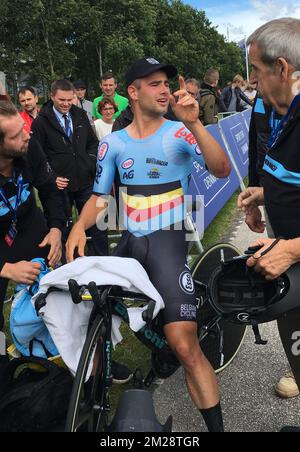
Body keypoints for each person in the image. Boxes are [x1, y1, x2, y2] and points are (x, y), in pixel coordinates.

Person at [66, 57, 231, 432]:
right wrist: (78, 227)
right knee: (94, 313)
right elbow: (100, 200)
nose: (165, 90)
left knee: (184, 346)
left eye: (166, 83)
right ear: (133, 93)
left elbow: (221, 168)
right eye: (154, 84)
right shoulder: (113, 143)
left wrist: (194, 122)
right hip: (130, 244)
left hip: (169, 244)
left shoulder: (179, 133)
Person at [237, 18, 300, 405]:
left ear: (282, 69)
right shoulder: (284, 107)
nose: (252, 84)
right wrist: (267, 191)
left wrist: (293, 250)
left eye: (256, 72)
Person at [0, 100, 65, 332]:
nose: (27, 135)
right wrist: (5, 268)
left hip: (29, 225)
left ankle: (64, 349)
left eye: (23, 127)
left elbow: (49, 190)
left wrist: (56, 229)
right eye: (17, 135)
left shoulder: (30, 146)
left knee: (60, 289)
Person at [31, 79, 108, 258]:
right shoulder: (41, 122)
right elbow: (36, 157)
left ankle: (102, 263)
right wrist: (51, 177)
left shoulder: (80, 115)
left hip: (86, 181)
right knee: (61, 228)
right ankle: (67, 267)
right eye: (61, 100)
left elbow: (93, 144)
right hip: (59, 187)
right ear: (52, 97)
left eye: (69, 99)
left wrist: (88, 163)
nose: (66, 104)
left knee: (97, 224)